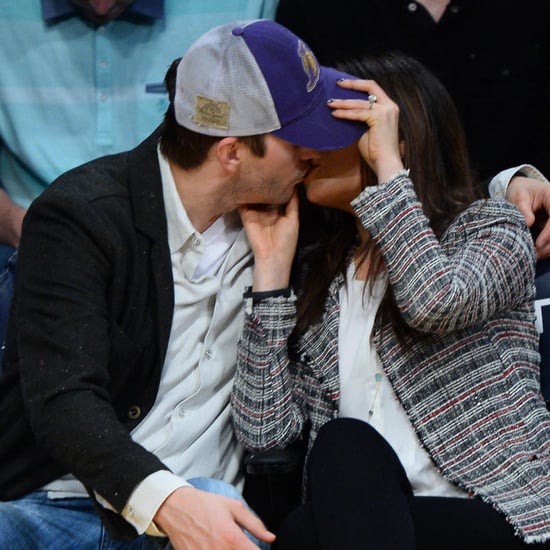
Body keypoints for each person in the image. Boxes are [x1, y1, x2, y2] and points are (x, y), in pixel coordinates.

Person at [0, 19, 376, 549]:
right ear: (231, 154)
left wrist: (513, 183)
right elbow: (64, 399)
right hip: (59, 503)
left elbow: (424, 191)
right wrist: (169, 502)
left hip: (209, 507)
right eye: (300, 137)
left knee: (217, 505)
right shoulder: (82, 217)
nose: (315, 155)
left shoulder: (296, 212)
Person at [231, 51, 550, 548]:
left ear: (392, 142)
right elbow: (266, 435)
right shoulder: (324, 273)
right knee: (329, 474)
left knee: (314, 511)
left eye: (333, 128)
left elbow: (434, 301)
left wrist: (387, 166)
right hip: (360, 516)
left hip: (485, 513)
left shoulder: (492, 229)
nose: (309, 147)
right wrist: (271, 274)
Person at [0, 0, 278, 359]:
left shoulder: (242, 7)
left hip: (203, 244)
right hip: (25, 240)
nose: (101, 5)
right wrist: (16, 223)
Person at [275, 0, 550, 184]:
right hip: (346, 235)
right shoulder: (315, 10)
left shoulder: (532, 12)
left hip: (517, 228)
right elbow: (288, 130)